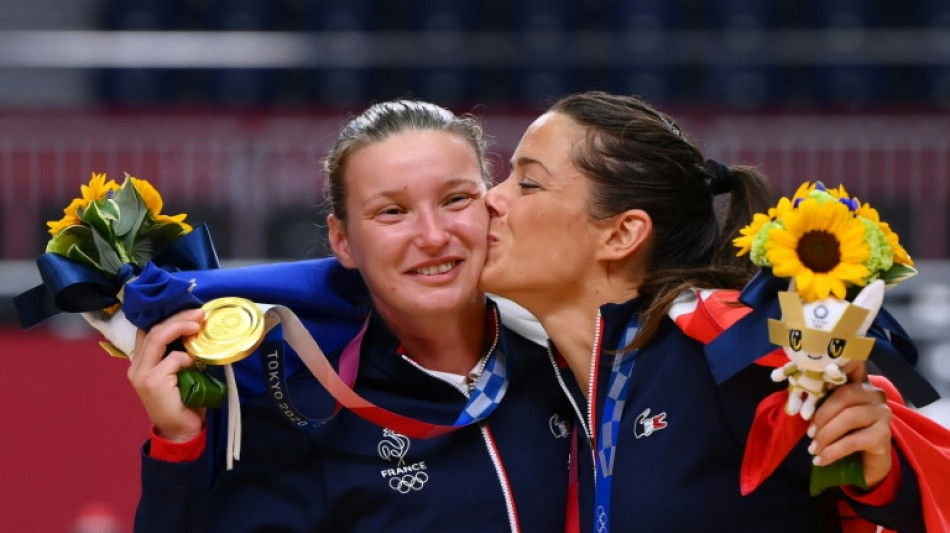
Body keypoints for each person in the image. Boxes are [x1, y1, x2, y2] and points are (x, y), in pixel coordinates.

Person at [479, 91, 933, 532]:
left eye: (528, 183)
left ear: (621, 235)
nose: (491, 199)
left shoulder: (729, 343)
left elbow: (885, 472)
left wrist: (884, 473)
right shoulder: (547, 384)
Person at [125, 100, 574, 532]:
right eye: (392, 211)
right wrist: (178, 444)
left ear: (492, 207)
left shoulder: (568, 364)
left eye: (456, 199)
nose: (434, 236)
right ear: (342, 241)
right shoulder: (305, 414)